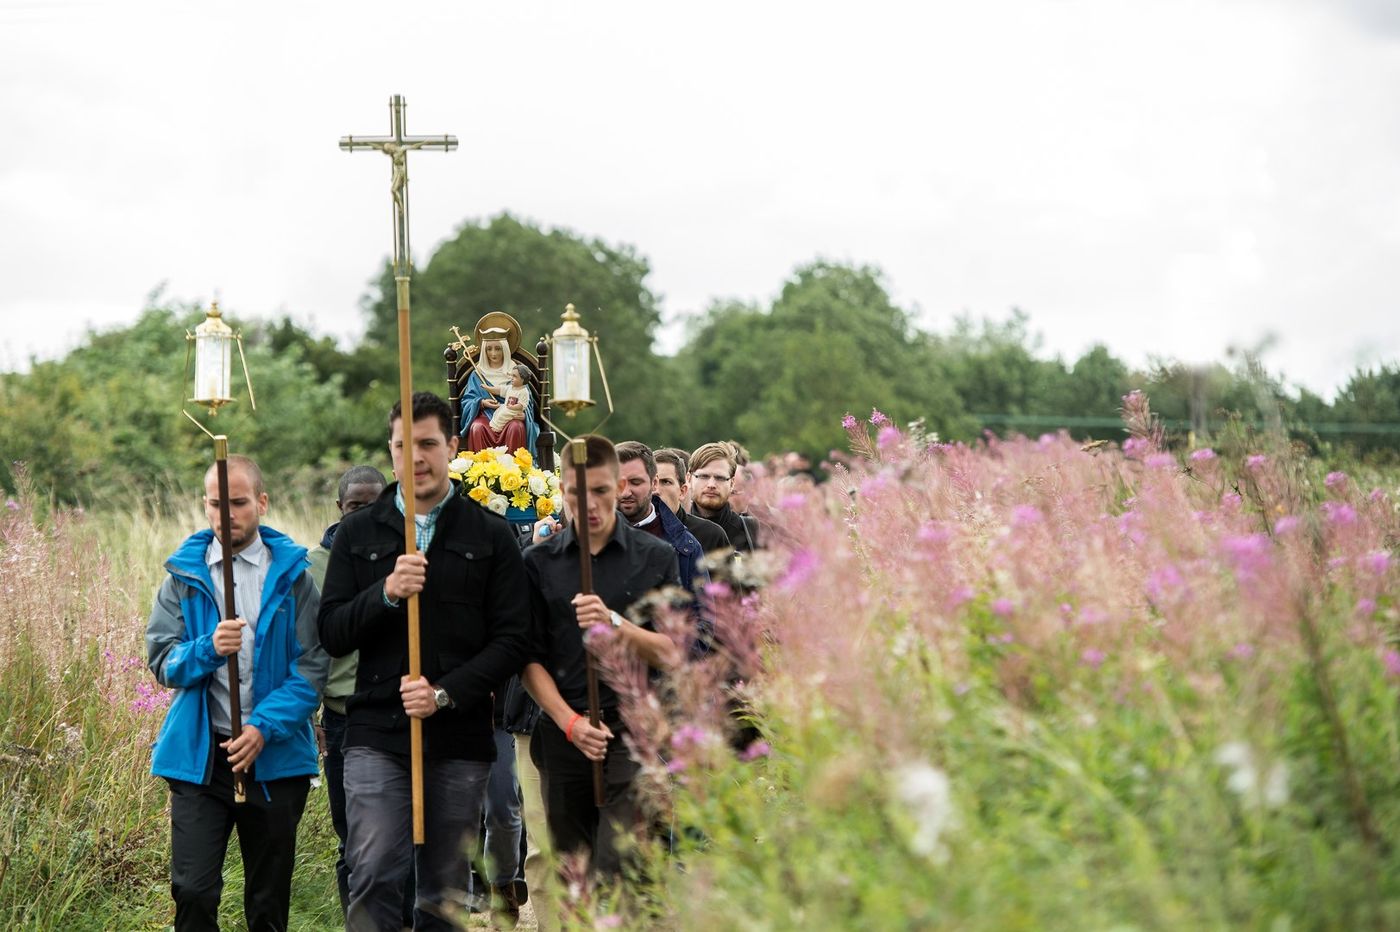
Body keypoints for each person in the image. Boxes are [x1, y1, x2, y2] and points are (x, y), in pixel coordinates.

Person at [318, 392, 531, 931]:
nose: (414, 457)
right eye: (401, 445)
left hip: (459, 735)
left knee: (444, 890)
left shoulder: (491, 534)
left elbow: (513, 640)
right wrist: (385, 592)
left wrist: (444, 693)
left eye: (428, 444)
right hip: (375, 731)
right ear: (390, 450)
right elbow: (333, 632)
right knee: (373, 870)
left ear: (453, 446)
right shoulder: (358, 534)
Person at [145, 455, 328, 932]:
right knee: (193, 890)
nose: (226, 514)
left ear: (262, 503)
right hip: (202, 759)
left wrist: (263, 727)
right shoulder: (183, 579)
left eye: (239, 503)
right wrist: (209, 648)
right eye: (215, 503)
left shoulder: (294, 579)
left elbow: (312, 669)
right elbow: (163, 661)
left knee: (268, 901)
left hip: (275, 760)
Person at [522, 435, 682, 881]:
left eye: (600, 490)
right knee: (575, 871)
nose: (588, 503)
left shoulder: (655, 556)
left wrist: (616, 625)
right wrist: (570, 723)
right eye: (577, 492)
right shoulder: (538, 563)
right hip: (565, 734)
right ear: (562, 491)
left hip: (633, 729)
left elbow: (671, 651)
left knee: (621, 864)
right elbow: (528, 659)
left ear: (618, 487)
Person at [307, 464, 387, 917]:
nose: (364, 514)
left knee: (401, 829)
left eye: (373, 505)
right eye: (355, 506)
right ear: (340, 508)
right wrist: (310, 715)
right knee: (351, 833)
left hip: (396, 709)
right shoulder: (313, 567)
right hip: (341, 715)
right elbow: (305, 647)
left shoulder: (407, 556)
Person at [611, 441, 708, 593]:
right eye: (619, 483)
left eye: (635, 482)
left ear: (654, 483)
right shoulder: (591, 540)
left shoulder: (686, 546)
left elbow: (702, 606)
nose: (626, 492)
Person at [461, 332, 539, 456]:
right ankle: (481, 466)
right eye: (489, 349)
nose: (493, 353)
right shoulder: (477, 374)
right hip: (486, 416)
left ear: (505, 349)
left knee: (516, 428)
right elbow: (467, 401)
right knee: (477, 428)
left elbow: (526, 401)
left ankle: (515, 466)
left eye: (498, 348)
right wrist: (481, 403)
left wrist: (524, 415)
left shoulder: (516, 373)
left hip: (511, 417)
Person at [653, 447, 731, 555]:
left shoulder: (711, 535)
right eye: (651, 482)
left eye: (665, 482)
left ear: (682, 491)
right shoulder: (629, 533)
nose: (656, 490)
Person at [688, 442, 761, 553]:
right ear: (689, 479)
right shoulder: (673, 530)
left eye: (720, 478)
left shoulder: (754, 532)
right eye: (704, 476)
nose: (711, 484)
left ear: (732, 483)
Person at [488, 364, 533, 433]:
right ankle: (494, 425)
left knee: (503, 415)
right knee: (498, 412)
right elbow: (500, 390)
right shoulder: (511, 387)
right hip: (508, 407)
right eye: (511, 375)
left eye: (514, 376)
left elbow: (521, 405)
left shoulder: (523, 391)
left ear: (522, 379)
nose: (511, 378)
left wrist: (513, 407)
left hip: (514, 411)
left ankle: (498, 428)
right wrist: (487, 388)